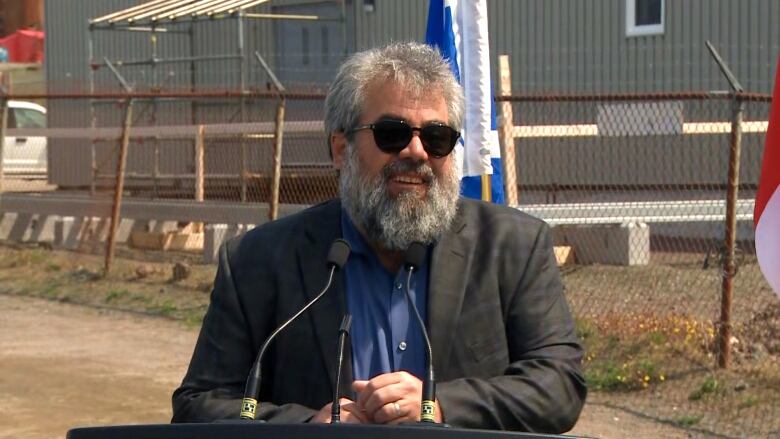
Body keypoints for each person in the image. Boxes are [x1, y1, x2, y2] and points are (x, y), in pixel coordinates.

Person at [172, 41, 586, 432]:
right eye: (393, 133)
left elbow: (559, 384)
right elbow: (199, 403)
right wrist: (304, 427)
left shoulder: (513, 246)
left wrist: (438, 407)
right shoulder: (258, 259)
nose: (417, 152)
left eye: (437, 137)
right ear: (340, 148)